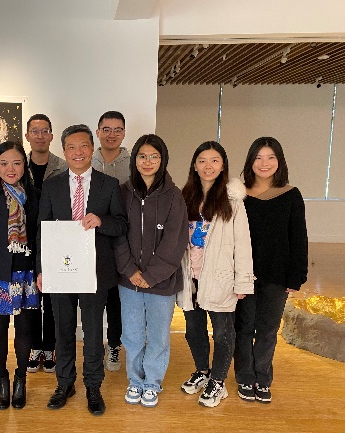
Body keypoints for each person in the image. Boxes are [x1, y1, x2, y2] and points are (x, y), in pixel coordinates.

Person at [37, 124, 127, 416]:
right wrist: (42, 270)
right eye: (71, 147)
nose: (78, 152)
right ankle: (64, 384)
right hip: (60, 272)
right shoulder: (51, 185)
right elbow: (42, 230)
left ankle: (93, 386)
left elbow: (121, 224)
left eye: (84, 146)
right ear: (64, 151)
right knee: (63, 330)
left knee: (92, 331)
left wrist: (101, 220)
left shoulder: (108, 184)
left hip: (94, 272)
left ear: (92, 148)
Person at [177, 141, 254, 408]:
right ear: (194, 165)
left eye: (214, 161)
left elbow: (242, 244)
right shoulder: (185, 196)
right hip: (190, 276)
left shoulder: (232, 201)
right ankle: (203, 371)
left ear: (223, 166)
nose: (208, 166)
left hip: (220, 277)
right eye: (202, 160)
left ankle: (218, 381)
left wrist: (242, 281)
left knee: (222, 333)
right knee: (193, 330)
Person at [114, 134, 189, 408]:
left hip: (162, 282)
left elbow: (175, 239)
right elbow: (118, 235)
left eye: (154, 157)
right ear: (134, 159)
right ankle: (135, 380)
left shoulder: (174, 195)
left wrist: (151, 275)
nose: (148, 162)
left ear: (162, 160)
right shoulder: (122, 192)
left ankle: (152, 383)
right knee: (132, 335)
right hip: (129, 281)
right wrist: (129, 270)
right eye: (142, 156)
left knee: (158, 336)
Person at [234, 137, 308, 404]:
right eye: (258, 158)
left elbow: (298, 237)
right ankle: (244, 376)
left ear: (279, 161)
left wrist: (297, 275)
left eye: (270, 157)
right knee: (243, 327)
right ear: (250, 161)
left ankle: (262, 378)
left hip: (277, 274)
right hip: (244, 274)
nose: (264, 163)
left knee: (267, 330)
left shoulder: (291, 194)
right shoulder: (239, 194)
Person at [0, 141, 40, 410]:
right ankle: (3, 379)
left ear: (24, 165)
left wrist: (41, 271)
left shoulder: (35, 194)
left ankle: (21, 379)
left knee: (25, 328)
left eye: (16, 163)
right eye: (4, 163)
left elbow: (40, 235)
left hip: (28, 273)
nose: (10, 169)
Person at [24, 113, 67, 373]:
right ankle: (34, 346)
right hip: (24, 239)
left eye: (44, 131)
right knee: (31, 297)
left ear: (51, 135)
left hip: (55, 239)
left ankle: (50, 347)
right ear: (27, 135)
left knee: (52, 298)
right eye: (35, 131)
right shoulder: (19, 165)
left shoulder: (63, 166)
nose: (40, 136)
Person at [91, 111, 130, 372]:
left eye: (117, 130)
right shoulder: (87, 161)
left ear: (124, 133)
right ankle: (95, 346)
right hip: (90, 241)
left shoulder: (133, 163)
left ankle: (114, 344)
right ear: (98, 132)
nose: (111, 134)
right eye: (106, 129)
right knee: (93, 298)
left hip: (122, 237)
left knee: (116, 298)